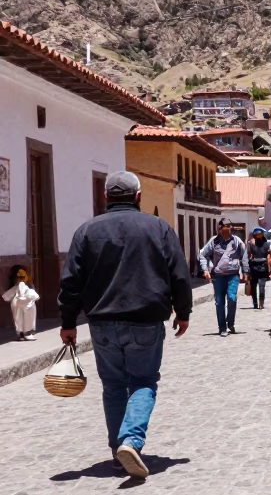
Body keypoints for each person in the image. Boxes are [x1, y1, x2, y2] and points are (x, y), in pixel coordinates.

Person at [58, 171, 192, 478]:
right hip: (145, 320)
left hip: (102, 323)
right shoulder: (158, 228)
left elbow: (71, 282)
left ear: (106, 197)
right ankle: (131, 440)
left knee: (114, 386)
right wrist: (182, 311)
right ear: (138, 196)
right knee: (143, 381)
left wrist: (68, 321)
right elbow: (179, 273)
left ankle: (118, 450)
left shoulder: (86, 231)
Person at [199, 217, 248, 336]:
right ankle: (222, 328)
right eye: (224, 227)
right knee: (219, 302)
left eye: (228, 227)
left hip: (233, 276)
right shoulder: (214, 242)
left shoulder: (236, 241)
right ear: (219, 229)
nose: (227, 230)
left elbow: (244, 255)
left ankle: (230, 322)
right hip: (218, 276)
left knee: (232, 298)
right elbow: (202, 255)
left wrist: (245, 271)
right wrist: (205, 269)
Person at [4, 266, 40, 341]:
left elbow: (6, 297)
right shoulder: (27, 288)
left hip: (17, 305)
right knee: (28, 319)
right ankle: (27, 333)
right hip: (28, 306)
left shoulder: (15, 288)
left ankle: (21, 334)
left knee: (18, 319)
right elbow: (36, 296)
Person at [246, 227, 271, 310]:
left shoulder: (252, 244)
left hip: (258, 266)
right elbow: (248, 255)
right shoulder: (265, 244)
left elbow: (249, 255)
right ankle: (258, 303)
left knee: (260, 286)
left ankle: (258, 303)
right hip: (256, 266)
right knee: (257, 286)